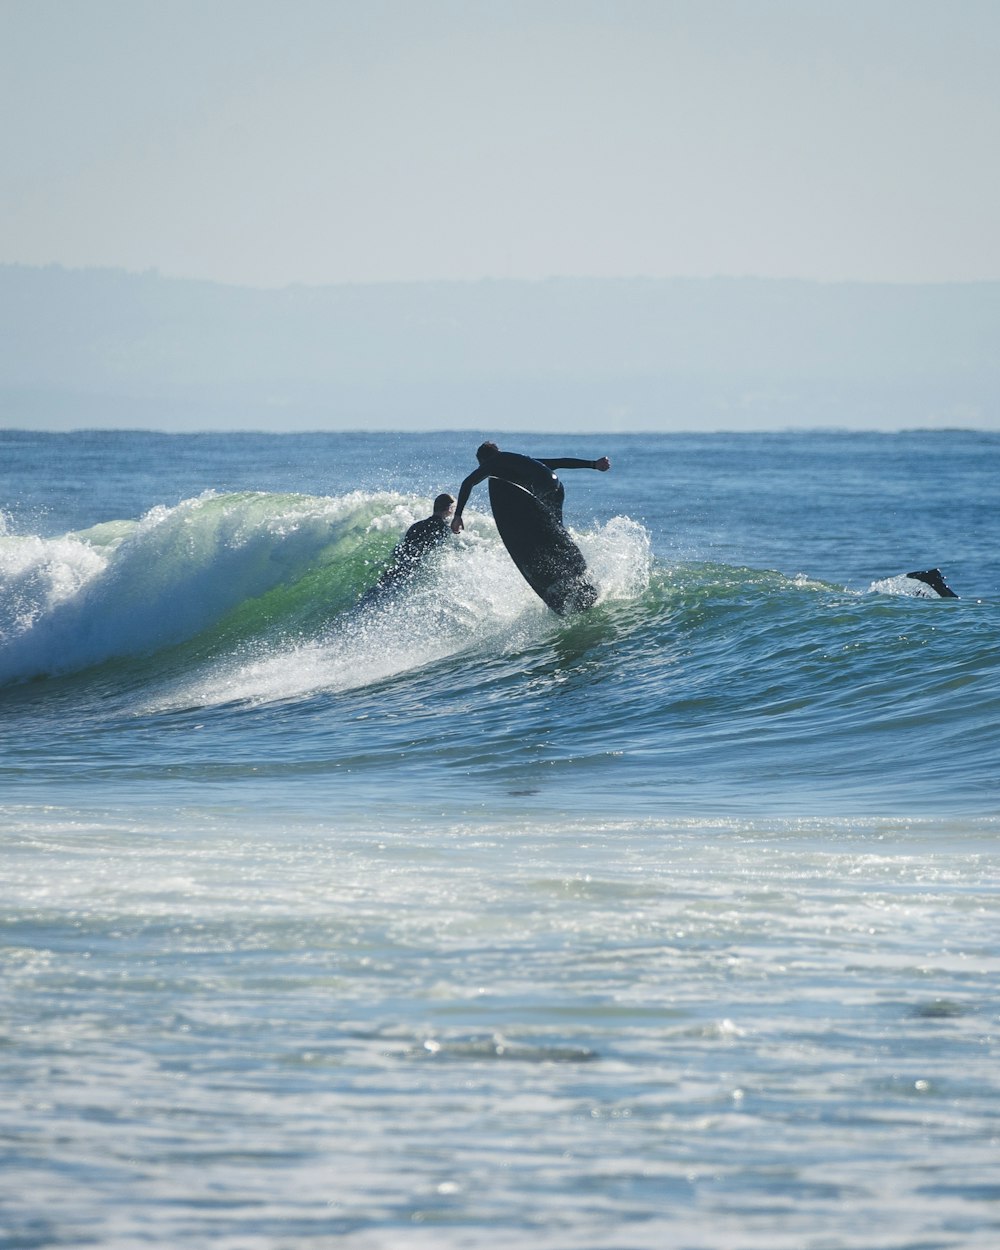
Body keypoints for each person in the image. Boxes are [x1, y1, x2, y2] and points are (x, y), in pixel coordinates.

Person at [450, 442, 611, 533]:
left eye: (481, 466)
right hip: (556, 487)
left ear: (484, 460)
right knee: (556, 529)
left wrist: (458, 515)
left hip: (543, 488)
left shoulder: (492, 462)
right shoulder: (519, 461)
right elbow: (559, 462)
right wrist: (593, 464)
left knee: (532, 519)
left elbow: (468, 482)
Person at [370, 493, 455, 593]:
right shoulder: (444, 528)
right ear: (448, 508)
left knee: (377, 592)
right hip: (411, 571)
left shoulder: (416, 525)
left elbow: (402, 549)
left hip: (398, 567)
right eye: (452, 508)